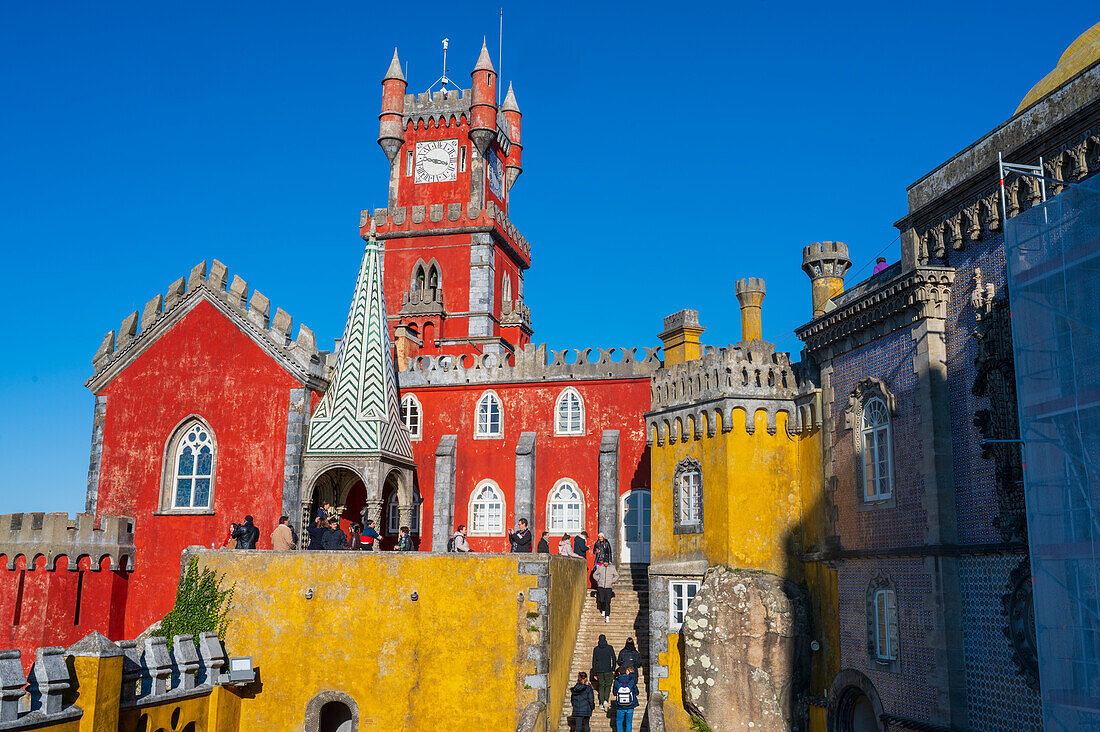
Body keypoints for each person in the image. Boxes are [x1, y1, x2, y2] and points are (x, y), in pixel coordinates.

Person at [591, 634, 617, 711]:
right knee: (608, 686)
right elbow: (614, 658)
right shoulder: (609, 648)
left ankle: (602, 702)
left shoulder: (596, 649)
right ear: (605, 639)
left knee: (601, 686)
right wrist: (613, 668)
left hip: (599, 671)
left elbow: (594, 662)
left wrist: (595, 673)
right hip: (608, 670)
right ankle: (606, 700)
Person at [612, 666, 639, 731]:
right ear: (626, 672)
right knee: (629, 723)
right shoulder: (631, 680)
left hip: (620, 705)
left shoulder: (616, 681)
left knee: (619, 722)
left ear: (619, 673)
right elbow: (637, 692)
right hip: (630, 705)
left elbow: (614, 693)